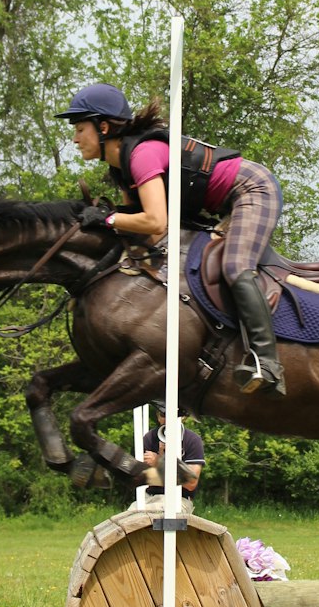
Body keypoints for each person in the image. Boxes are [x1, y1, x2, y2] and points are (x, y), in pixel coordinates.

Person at [56, 83, 286, 395]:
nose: (74, 138)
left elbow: (155, 221)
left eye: (80, 129)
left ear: (104, 126)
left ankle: (267, 362)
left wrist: (108, 219)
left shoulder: (141, 155)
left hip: (251, 189)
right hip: (220, 204)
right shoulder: (120, 166)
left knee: (234, 266)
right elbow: (146, 230)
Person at [142, 403, 204, 496]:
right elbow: (142, 477)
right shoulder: (150, 438)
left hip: (180, 499)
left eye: (172, 415)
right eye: (164, 415)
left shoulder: (193, 440)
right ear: (158, 417)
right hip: (151, 496)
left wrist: (159, 463)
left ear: (182, 417)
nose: (168, 420)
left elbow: (191, 484)